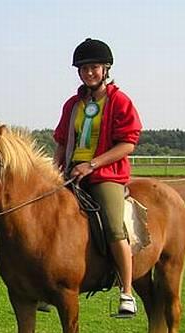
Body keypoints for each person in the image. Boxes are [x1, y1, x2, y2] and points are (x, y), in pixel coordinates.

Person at [53, 38, 142, 316]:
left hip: (105, 175)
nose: (88, 72)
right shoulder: (73, 104)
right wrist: (55, 171)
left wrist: (92, 165)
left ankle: (126, 292)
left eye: (93, 67)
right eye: (83, 68)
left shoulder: (119, 101)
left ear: (106, 69)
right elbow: (61, 141)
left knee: (114, 227)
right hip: (72, 172)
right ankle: (47, 284)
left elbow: (127, 143)